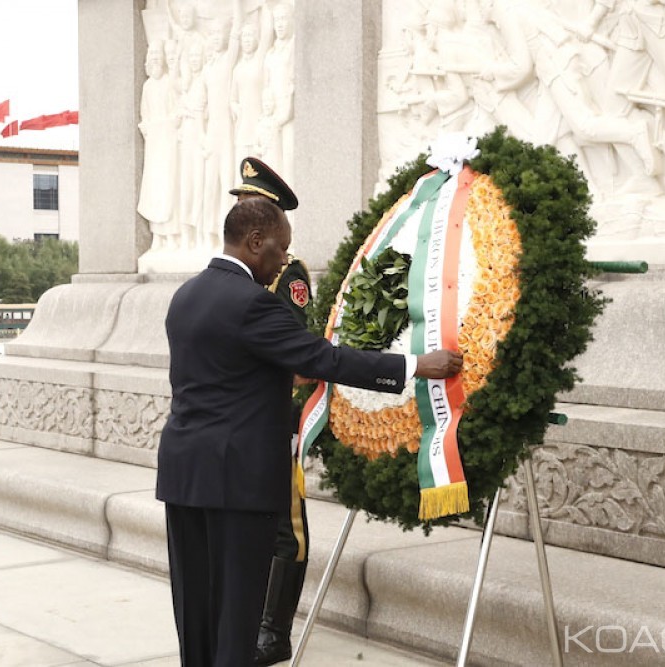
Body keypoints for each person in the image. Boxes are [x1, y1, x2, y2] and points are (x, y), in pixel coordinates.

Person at [157, 196, 463, 667]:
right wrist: (416, 364)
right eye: (280, 249)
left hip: (184, 474)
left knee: (195, 610)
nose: (283, 262)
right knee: (237, 618)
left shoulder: (186, 295)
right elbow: (325, 359)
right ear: (255, 241)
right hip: (237, 482)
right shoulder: (253, 303)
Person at [228, 156, 311, 665]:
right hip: (245, 421)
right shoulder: (238, 276)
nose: (241, 211)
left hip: (280, 415)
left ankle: (272, 632)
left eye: (250, 204)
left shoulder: (288, 274)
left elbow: (298, 352)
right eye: (240, 203)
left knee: (288, 524)